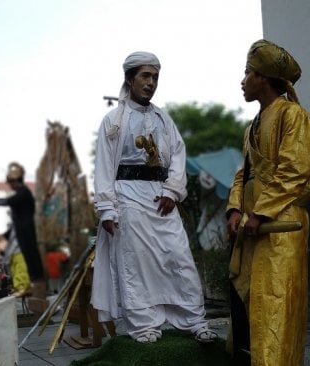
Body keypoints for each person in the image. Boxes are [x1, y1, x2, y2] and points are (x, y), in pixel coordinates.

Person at [91, 51, 217, 344]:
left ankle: (194, 321)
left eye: (155, 77)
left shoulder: (164, 119)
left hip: (161, 198)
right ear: (130, 78)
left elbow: (177, 156)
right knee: (135, 263)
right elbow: (104, 166)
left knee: (178, 256)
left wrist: (172, 190)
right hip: (128, 198)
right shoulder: (113, 121)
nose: (151, 83)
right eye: (145, 76)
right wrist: (108, 209)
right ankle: (144, 326)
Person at [225, 39, 310, 366]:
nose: (243, 80)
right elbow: (244, 174)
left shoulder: (294, 115)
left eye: (248, 73)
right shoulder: (252, 125)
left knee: (277, 307)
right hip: (254, 228)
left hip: (281, 225)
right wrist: (236, 209)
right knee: (255, 308)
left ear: (263, 78)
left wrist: (261, 213)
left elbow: (295, 169)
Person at [0, 162, 46, 301]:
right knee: (27, 255)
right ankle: (32, 284)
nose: (10, 185)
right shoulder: (20, 192)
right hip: (20, 229)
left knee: (30, 255)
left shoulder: (23, 192)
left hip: (26, 229)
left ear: (16, 181)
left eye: (11, 182)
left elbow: (8, 201)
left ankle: (37, 283)